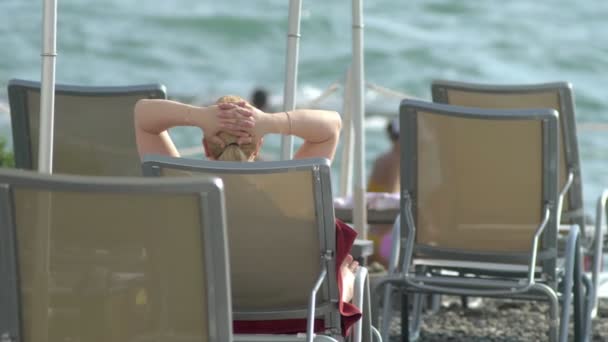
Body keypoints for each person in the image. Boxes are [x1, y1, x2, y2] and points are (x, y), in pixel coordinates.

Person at [134, 95, 361, 336]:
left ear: (205, 145)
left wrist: (200, 116)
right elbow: (331, 125)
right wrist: (269, 121)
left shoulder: (184, 194)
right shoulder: (287, 196)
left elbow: (143, 115)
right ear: (259, 146)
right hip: (292, 320)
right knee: (346, 279)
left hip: (197, 322)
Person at [366, 118, 401, 269]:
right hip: (386, 242)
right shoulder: (396, 160)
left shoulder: (381, 159)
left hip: (371, 237)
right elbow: (392, 200)